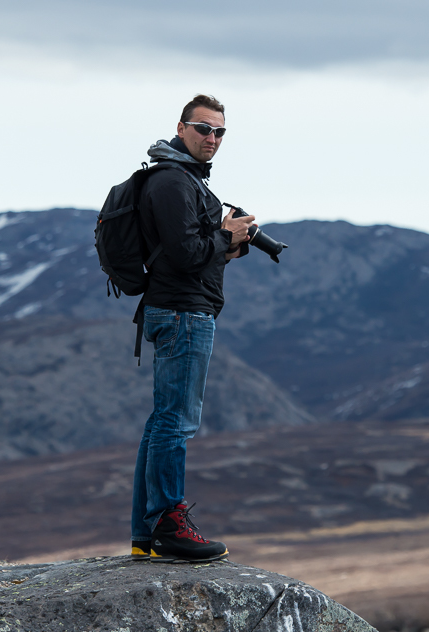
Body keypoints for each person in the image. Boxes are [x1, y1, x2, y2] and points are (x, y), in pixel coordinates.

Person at [130, 94, 253, 563]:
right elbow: (185, 254)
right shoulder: (173, 182)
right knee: (176, 421)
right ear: (180, 128)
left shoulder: (182, 182)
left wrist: (226, 245)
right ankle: (169, 526)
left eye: (220, 132)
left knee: (163, 420)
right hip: (182, 314)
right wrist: (227, 235)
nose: (212, 139)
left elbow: (192, 253)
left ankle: (147, 534)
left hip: (180, 308)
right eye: (203, 129)